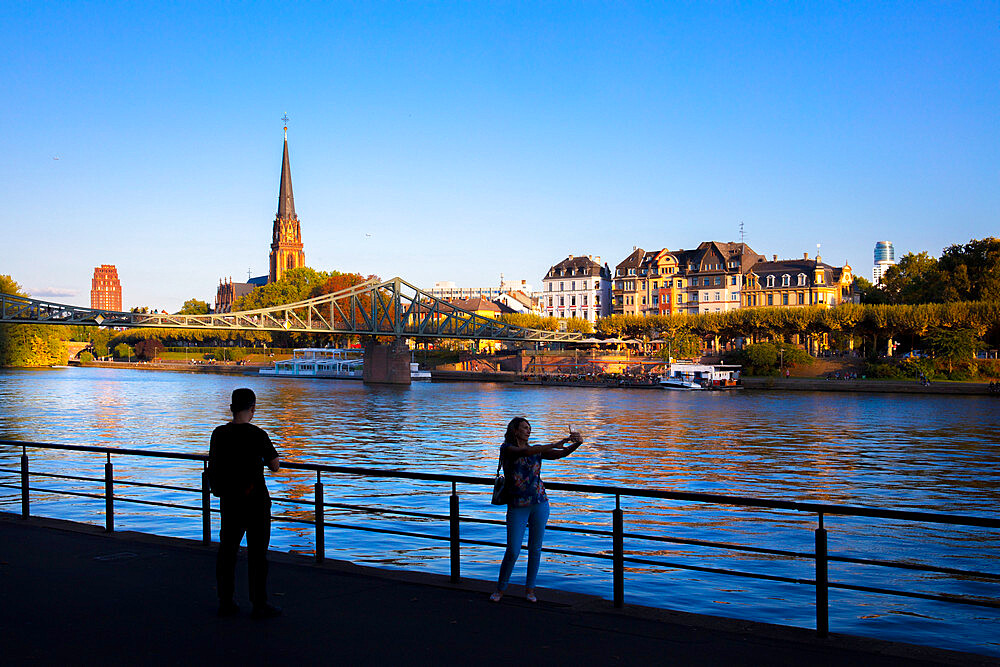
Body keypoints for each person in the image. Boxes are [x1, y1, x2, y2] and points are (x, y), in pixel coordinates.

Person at [490, 417, 583, 603]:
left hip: (539, 503)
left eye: (529, 428)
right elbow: (525, 451)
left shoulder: (536, 450)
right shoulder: (507, 448)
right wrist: (555, 442)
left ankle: (530, 590)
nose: (528, 431)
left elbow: (559, 454)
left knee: (535, 549)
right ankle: (500, 589)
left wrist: (576, 444)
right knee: (513, 550)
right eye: (524, 428)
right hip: (517, 505)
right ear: (515, 431)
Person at [208, 388, 281, 618]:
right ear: (252, 409)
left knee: (227, 552)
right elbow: (275, 464)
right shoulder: (258, 434)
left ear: (231, 408)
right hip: (256, 503)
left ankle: (226, 600)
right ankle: (259, 603)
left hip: (230, 502)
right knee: (258, 556)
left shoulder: (218, 434)